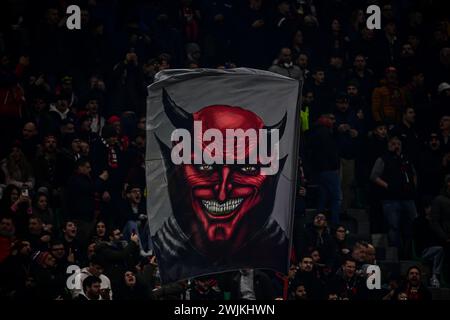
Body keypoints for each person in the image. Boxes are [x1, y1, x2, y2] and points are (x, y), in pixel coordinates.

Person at [370, 136, 418, 257]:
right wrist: (388, 186)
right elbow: (374, 176)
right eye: (393, 144)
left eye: (398, 144)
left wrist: (413, 187)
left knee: (413, 225)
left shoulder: (406, 159)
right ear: (388, 145)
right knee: (393, 226)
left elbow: (413, 173)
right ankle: (396, 254)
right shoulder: (383, 159)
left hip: (408, 197)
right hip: (390, 198)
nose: (396, 146)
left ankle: (410, 253)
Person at [307, 115, 342, 224]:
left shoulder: (314, 132)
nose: (334, 121)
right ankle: (335, 224)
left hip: (319, 170)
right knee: (336, 197)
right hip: (329, 170)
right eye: (331, 119)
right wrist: (335, 166)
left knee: (323, 197)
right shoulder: (325, 133)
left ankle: (318, 222)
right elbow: (330, 152)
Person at [413, 200, 444, 288]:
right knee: (439, 250)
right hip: (423, 250)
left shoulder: (436, 222)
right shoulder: (419, 221)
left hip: (433, 249)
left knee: (439, 252)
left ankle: (435, 278)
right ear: (426, 209)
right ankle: (435, 275)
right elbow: (420, 239)